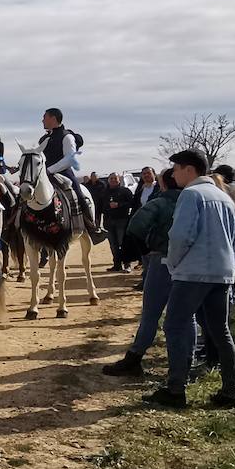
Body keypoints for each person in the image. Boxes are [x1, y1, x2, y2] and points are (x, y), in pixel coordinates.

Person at [142, 149, 235, 410]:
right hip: (222, 273)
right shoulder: (224, 197)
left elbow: (180, 236)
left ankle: (176, 389)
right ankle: (231, 391)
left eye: (176, 169)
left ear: (189, 170)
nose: (173, 174)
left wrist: (174, 264)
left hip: (192, 274)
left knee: (175, 325)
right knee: (220, 331)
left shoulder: (191, 194)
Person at [101, 168, 181, 377]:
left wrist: (143, 250)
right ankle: (182, 366)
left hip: (161, 259)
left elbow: (136, 227)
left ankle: (135, 358)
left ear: (162, 183)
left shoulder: (160, 201)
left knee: (151, 313)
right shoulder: (192, 199)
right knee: (185, 317)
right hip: (188, 262)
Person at [37, 108, 102, 238]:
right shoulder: (44, 138)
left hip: (63, 173)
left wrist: (50, 170)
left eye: (44, 117)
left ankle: (90, 224)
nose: (42, 120)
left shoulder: (67, 136)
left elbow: (70, 159)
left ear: (53, 118)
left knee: (78, 194)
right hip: (45, 174)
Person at [102, 172, 135, 272]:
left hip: (122, 220)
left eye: (115, 178)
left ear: (119, 180)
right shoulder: (104, 192)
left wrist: (119, 204)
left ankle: (127, 265)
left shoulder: (125, 191)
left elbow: (132, 203)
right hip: (108, 221)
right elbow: (100, 206)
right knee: (113, 245)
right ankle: (117, 265)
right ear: (108, 180)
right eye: (111, 178)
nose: (113, 180)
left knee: (123, 243)